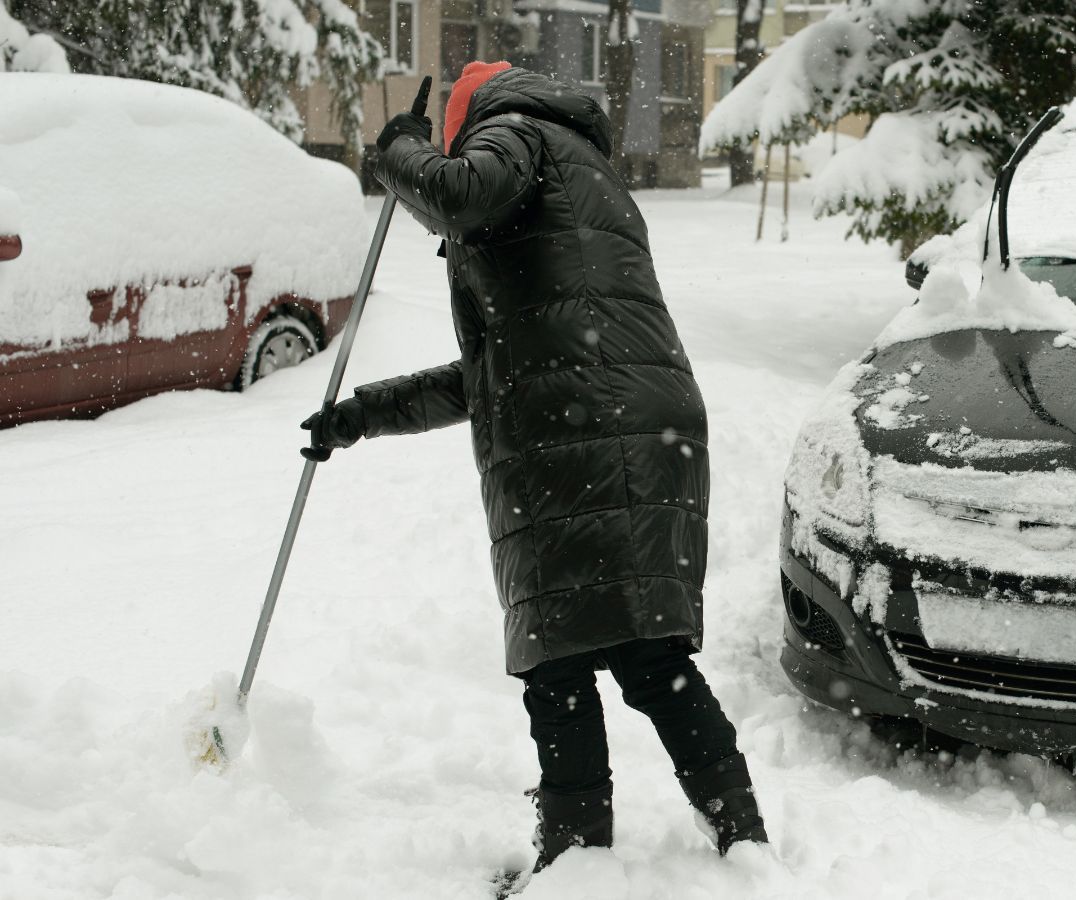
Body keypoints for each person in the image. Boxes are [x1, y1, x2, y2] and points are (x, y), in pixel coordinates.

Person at [300, 60, 767, 871]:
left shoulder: (515, 132)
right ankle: (742, 839)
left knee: (561, 662)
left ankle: (577, 860)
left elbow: (458, 191)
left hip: (583, 427)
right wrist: (361, 416)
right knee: (648, 656)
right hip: (629, 420)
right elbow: (493, 377)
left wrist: (399, 152)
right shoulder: (572, 166)